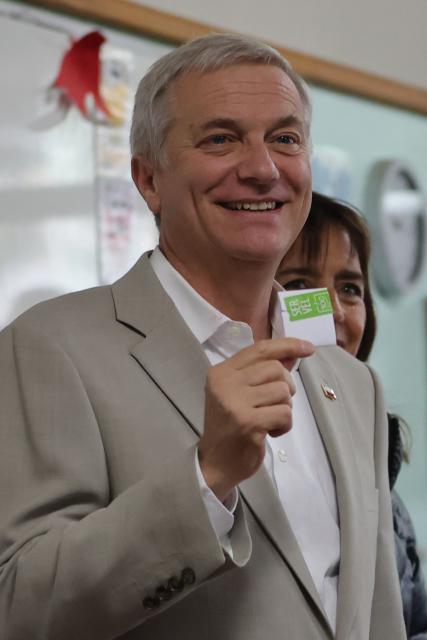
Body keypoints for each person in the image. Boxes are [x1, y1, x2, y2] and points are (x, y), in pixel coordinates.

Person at [0, 34, 406, 640]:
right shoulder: (48, 347)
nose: (262, 168)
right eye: (220, 138)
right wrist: (207, 475)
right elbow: (19, 608)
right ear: (148, 179)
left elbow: (375, 614)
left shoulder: (353, 382)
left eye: (285, 140)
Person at [277, 190, 427, 638]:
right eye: (301, 286)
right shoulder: (238, 452)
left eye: (349, 289)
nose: (334, 312)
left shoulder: (376, 451)